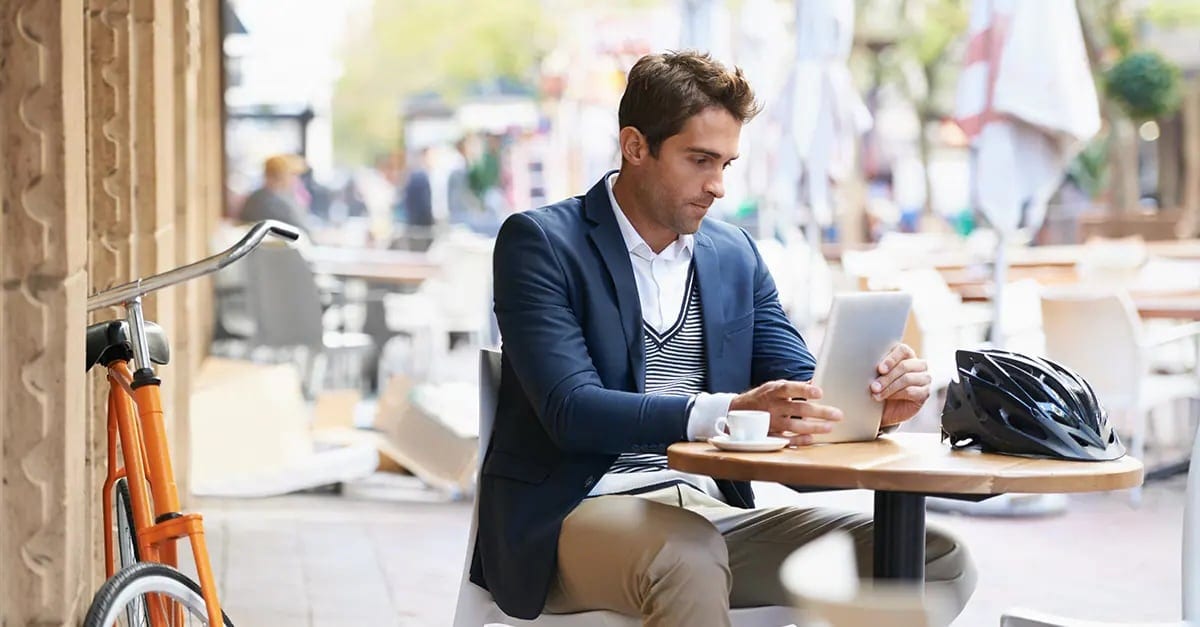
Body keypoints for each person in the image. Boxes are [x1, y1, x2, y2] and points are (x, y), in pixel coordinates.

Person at [470, 51, 976, 626]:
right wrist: (725, 412)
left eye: (727, 164)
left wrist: (876, 405)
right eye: (699, 160)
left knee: (932, 558)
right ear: (635, 147)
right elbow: (570, 409)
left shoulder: (733, 254)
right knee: (686, 555)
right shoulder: (541, 243)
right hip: (575, 513)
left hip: (711, 512)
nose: (717, 187)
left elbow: (800, 395)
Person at [238, 154, 311, 234]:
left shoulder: (259, 196)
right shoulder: (269, 202)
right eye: (293, 174)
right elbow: (302, 231)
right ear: (281, 175)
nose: (296, 179)